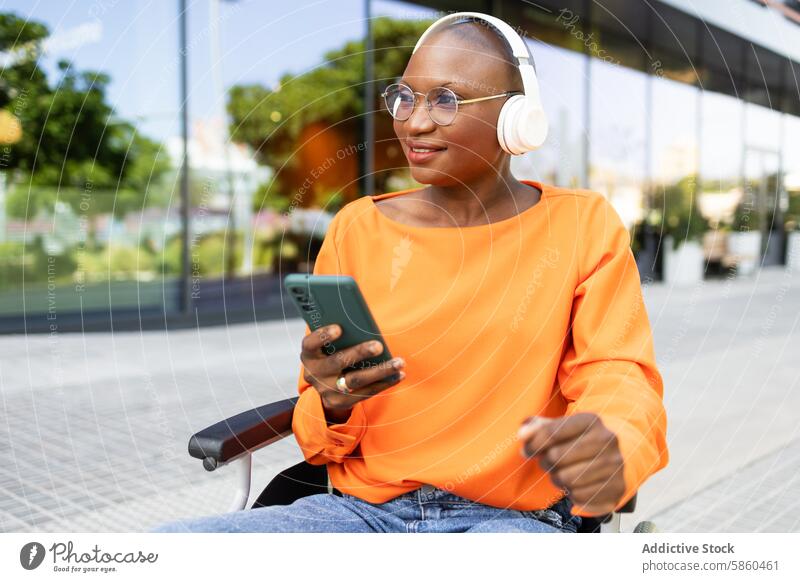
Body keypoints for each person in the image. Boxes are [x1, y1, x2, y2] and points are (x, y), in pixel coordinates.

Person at [152, 12, 668, 534]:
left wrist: (612, 440)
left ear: (517, 118)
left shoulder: (581, 224)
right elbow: (320, 432)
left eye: (446, 99)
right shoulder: (358, 228)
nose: (414, 122)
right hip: (358, 513)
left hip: (510, 520)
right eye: (405, 97)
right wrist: (331, 401)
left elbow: (618, 376)